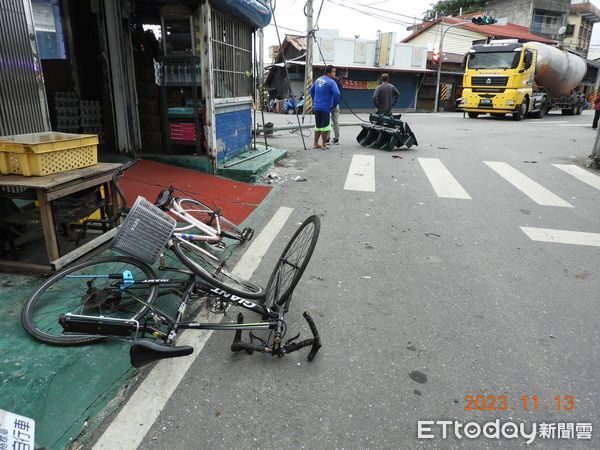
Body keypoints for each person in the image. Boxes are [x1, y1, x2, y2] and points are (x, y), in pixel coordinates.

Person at [309, 65, 340, 149]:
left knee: (318, 126)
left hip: (317, 107)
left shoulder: (318, 79)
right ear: (329, 72)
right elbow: (337, 94)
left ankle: (315, 144)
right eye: (333, 72)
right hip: (326, 107)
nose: (334, 73)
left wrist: (314, 100)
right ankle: (323, 145)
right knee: (325, 127)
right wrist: (334, 104)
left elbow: (311, 91)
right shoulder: (331, 82)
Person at [330, 74, 343, 144]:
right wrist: (337, 102)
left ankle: (327, 139)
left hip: (329, 104)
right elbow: (339, 93)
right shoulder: (338, 80)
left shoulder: (329, 80)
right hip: (336, 104)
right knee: (336, 122)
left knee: (328, 122)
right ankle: (336, 139)